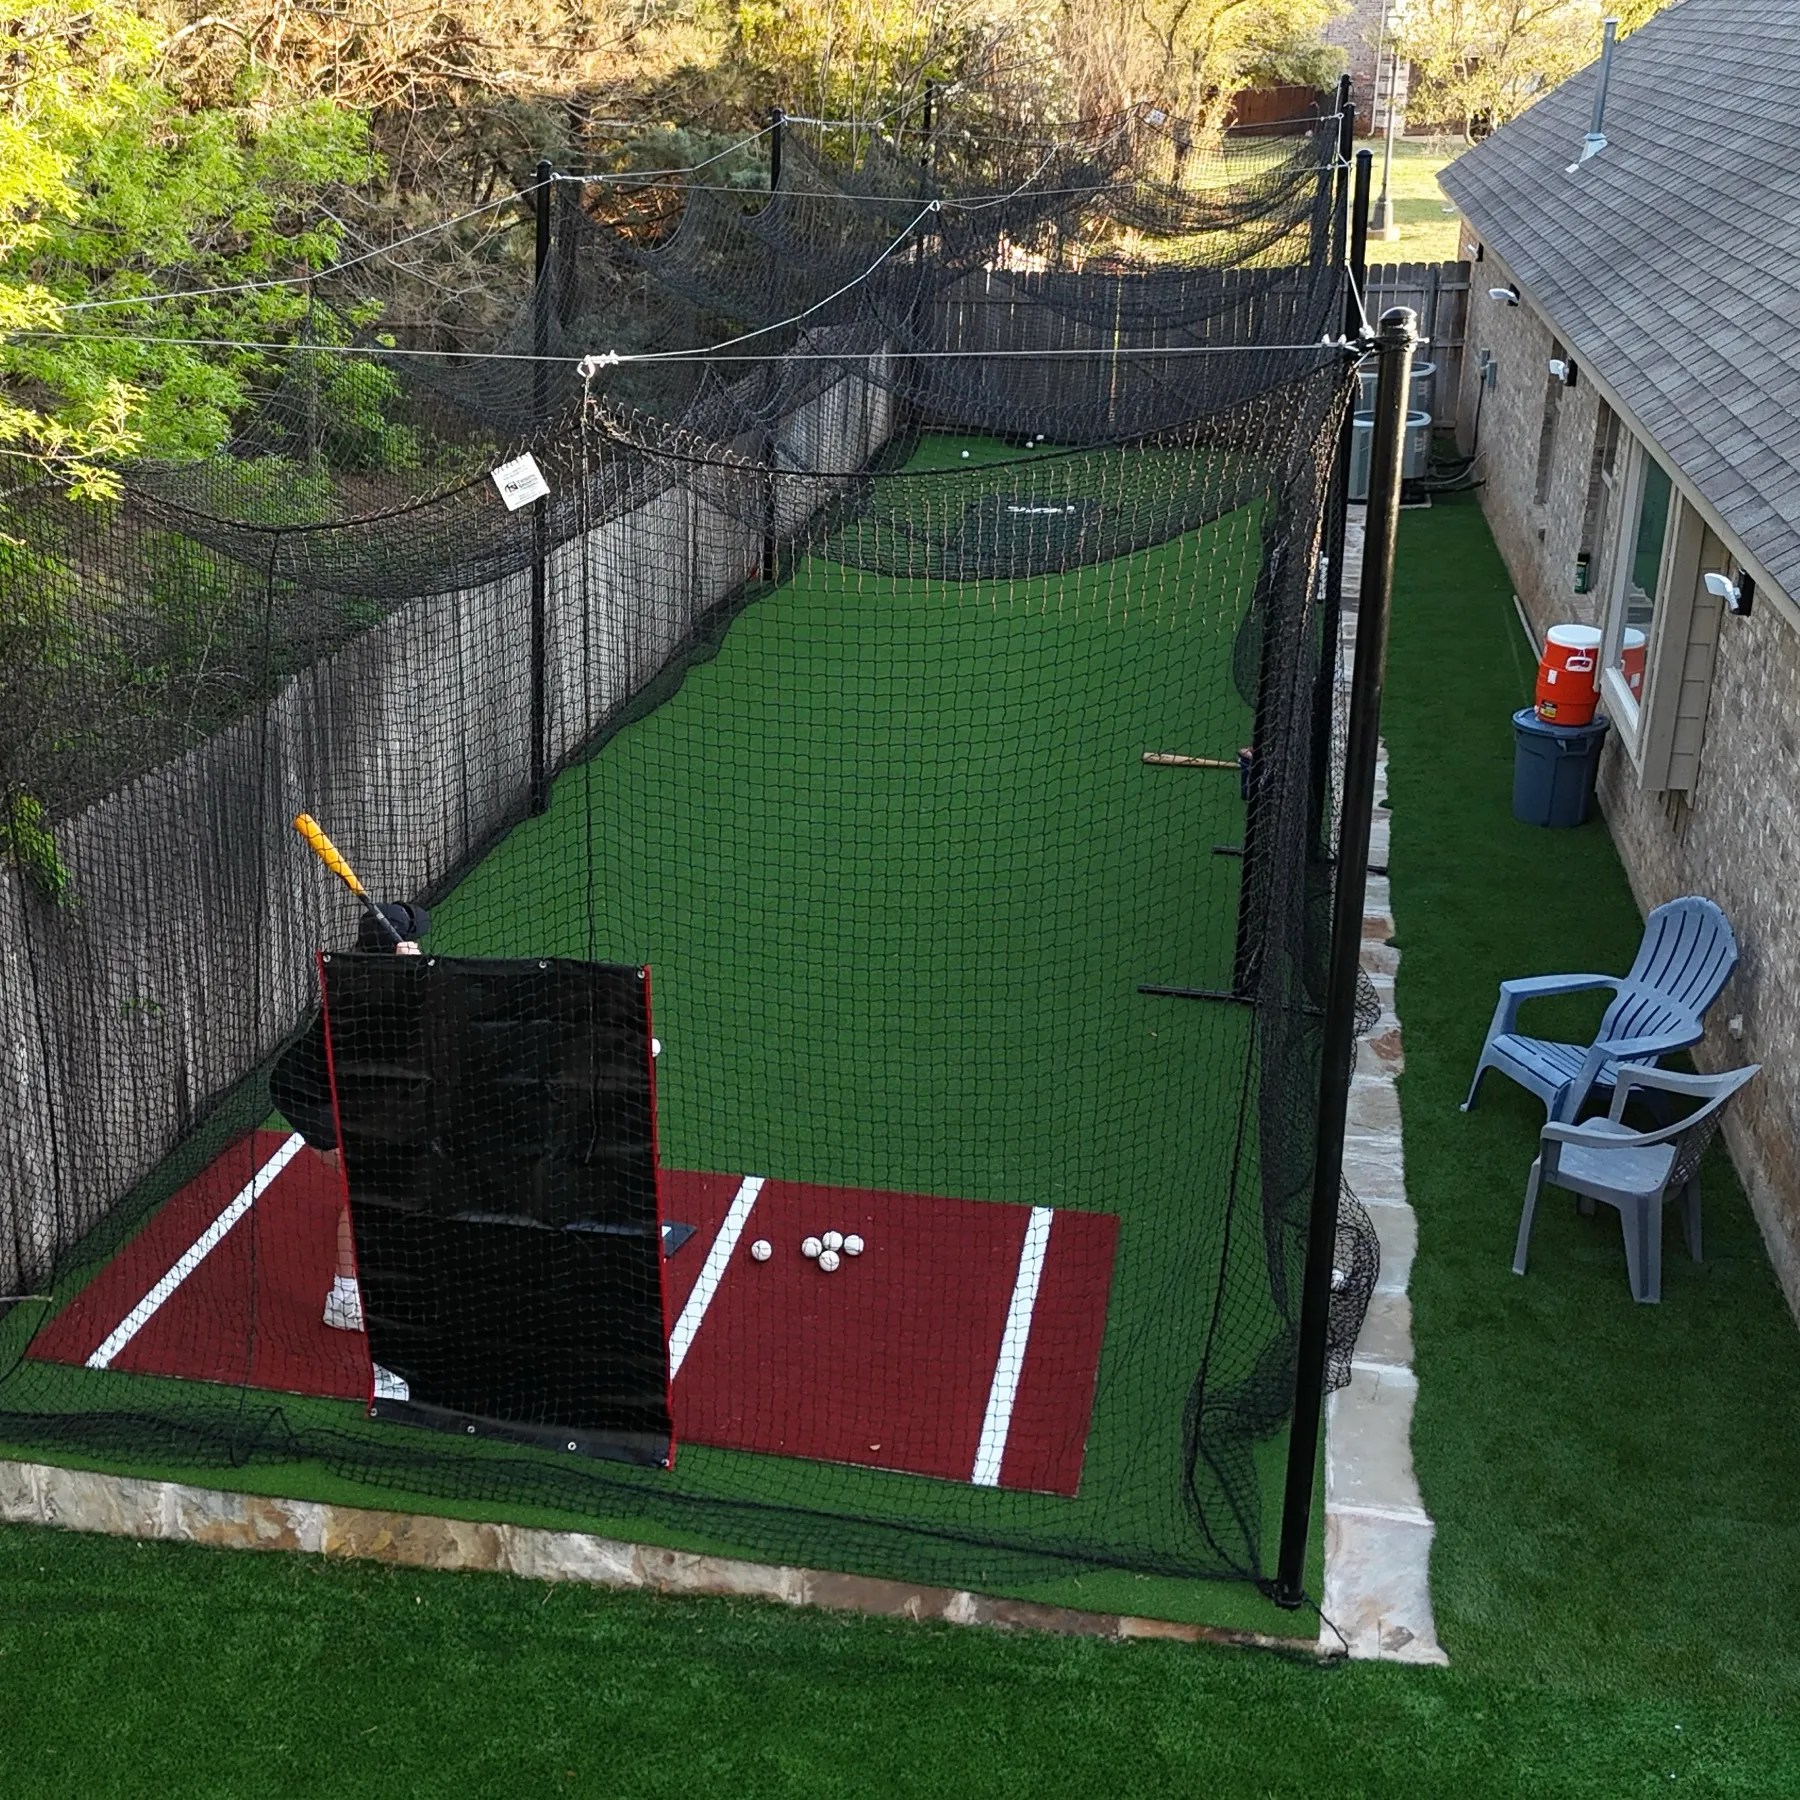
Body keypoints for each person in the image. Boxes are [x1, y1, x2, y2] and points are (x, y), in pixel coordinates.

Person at [270, 900, 428, 1331]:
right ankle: (342, 1299)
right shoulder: (367, 991)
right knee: (362, 1187)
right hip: (304, 1092)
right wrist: (407, 977)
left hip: (334, 1087)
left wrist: (403, 974)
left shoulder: (362, 973)